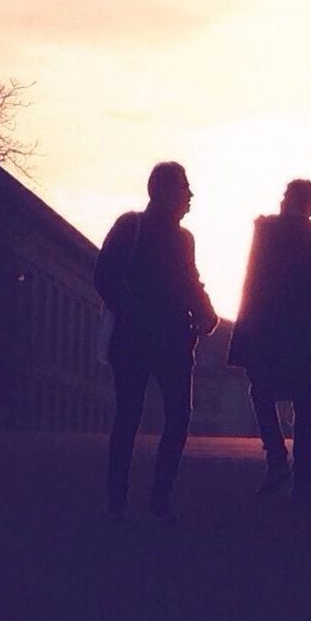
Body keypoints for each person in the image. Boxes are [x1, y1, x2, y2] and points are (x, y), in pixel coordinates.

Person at [94, 162, 218, 522]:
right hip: (167, 338)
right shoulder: (145, 230)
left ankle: (119, 500)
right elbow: (188, 284)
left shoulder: (138, 229)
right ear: (164, 191)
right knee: (175, 416)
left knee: (130, 416)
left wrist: (204, 312)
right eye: (184, 187)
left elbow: (105, 277)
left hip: (141, 339)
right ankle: (157, 499)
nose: (190, 195)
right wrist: (204, 315)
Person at [228, 179, 311, 500]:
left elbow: (253, 285)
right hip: (310, 336)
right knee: (304, 404)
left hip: (271, 330)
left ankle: (276, 459)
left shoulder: (269, 232)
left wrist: (245, 334)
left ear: (290, 200)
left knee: (262, 391)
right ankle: (302, 482)